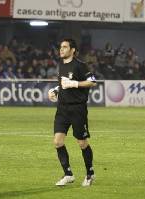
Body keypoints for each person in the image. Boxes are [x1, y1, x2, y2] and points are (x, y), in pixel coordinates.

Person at [48, 38, 97, 187]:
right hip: (62, 108)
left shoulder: (80, 66)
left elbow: (92, 81)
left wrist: (75, 84)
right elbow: (63, 85)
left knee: (82, 143)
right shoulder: (61, 65)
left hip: (77, 109)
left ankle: (90, 173)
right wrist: (55, 91)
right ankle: (68, 174)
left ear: (72, 50)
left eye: (64, 47)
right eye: (60, 47)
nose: (61, 49)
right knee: (57, 141)